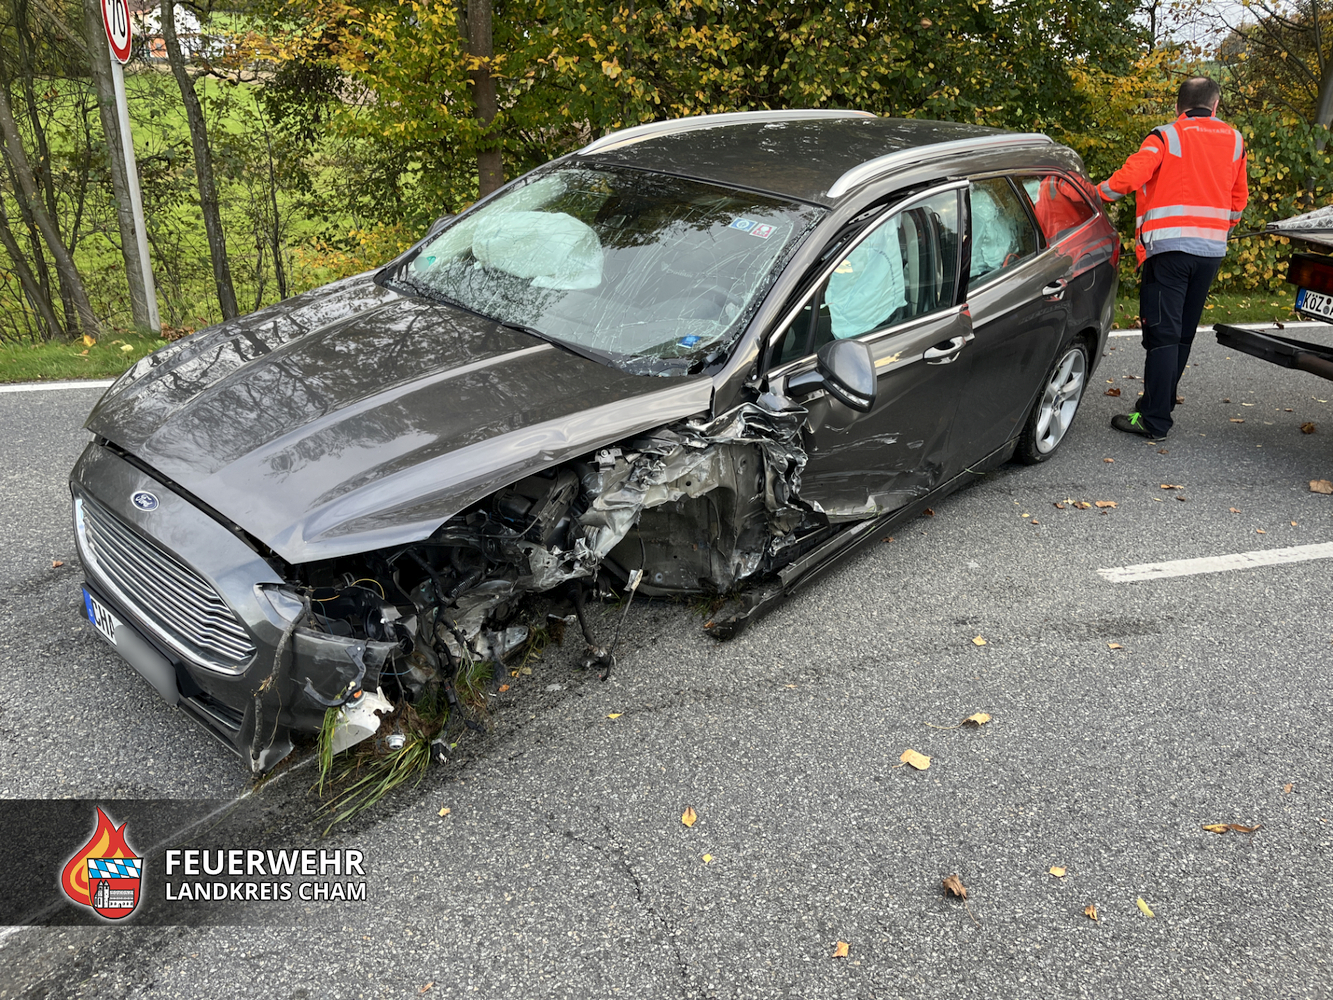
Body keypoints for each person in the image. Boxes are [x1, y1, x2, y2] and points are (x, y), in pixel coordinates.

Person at [1097, 76, 1249, 439]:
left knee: (1162, 335)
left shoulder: (1166, 136)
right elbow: (1238, 201)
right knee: (1181, 334)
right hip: (1210, 252)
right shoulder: (1235, 140)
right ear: (1215, 106)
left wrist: (1090, 193)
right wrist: (1219, 229)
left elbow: (1126, 180)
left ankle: (1153, 420)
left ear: (1179, 107)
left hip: (1168, 252)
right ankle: (1158, 401)